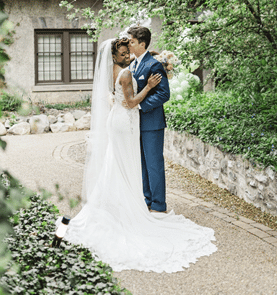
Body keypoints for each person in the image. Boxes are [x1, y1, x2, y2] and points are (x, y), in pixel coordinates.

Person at [65, 38, 216, 273]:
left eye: (129, 51)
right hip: (125, 121)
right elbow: (130, 102)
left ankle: (130, 202)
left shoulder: (120, 67)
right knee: (126, 163)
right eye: (124, 53)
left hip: (122, 121)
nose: (128, 56)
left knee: (119, 163)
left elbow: (137, 70)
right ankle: (134, 204)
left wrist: (157, 58)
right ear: (115, 56)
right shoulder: (125, 72)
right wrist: (148, 86)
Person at [127, 26, 170, 213]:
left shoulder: (154, 65)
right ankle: (147, 199)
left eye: (132, 41)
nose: (129, 44)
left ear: (142, 44)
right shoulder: (132, 65)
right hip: (136, 124)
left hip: (152, 123)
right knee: (142, 164)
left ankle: (159, 204)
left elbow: (164, 94)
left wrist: (139, 105)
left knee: (154, 164)